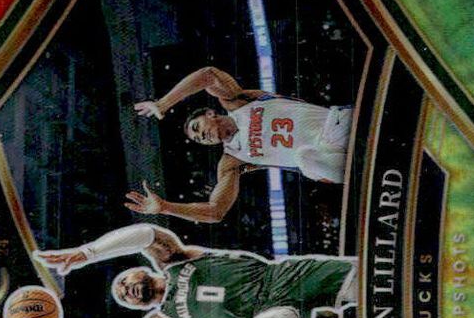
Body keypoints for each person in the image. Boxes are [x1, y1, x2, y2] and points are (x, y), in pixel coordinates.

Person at [10, 223, 358, 318]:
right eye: (124, 298)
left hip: (284, 277)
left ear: (141, 269)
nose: (126, 290)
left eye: (123, 282)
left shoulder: (174, 259)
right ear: (139, 307)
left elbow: (146, 233)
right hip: (269, 317)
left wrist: (88, 253)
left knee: (371, 275)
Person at [127, 67, 353, 223]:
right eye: (198, 139)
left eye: (197, 127)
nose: (201, 136)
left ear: (210, 113)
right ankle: (359, 169)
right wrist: (166, 207)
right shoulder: (232, 160)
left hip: (336, 125)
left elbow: (208, 74)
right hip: (322, 160)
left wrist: (163, 103)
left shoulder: (239, 101)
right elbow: (215, 211)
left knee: (327, 136)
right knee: (305, 157)